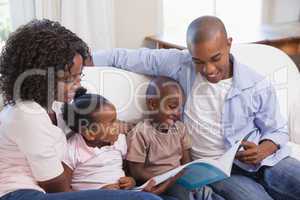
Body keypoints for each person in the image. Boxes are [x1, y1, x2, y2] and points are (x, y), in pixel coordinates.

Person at [92, 16, 300, 200]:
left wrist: (263, 149)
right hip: (219, 171)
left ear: (228, 44)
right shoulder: (181, 65)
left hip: (267, 160)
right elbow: (129, 57)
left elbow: (277, 129)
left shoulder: (256, 83)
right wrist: (84, 60)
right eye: (199, 61)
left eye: (215, 58)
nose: (208, 69)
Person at [0, 19, 163, 200]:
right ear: (42, 78)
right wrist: (108, 194)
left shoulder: (56, 107)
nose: (78, 85)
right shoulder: (26, 114)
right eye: (70, 79)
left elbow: (101, 123)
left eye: (79, 76)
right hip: (19, 194)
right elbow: (57, 187)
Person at [126, 76, 225, 200]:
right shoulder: (141, 133)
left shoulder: (180, 129)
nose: (178, 113)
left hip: (180, 179)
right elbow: (137, 173)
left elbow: (186, 162)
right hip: (158, 184)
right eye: (172, 107)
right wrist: (167, 180)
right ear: (152, 104)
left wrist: (183, 177)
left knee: (206, 193)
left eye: (180, 108)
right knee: (186, 195)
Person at [62, 87, 136, 191]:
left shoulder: (120, 141)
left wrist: (131, 181)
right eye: (112, 122)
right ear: (89, 133)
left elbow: (126, 171)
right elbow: (63, 192)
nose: (119, 125)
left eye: (116, 119)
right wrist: (98, 194)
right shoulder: (71, 150)